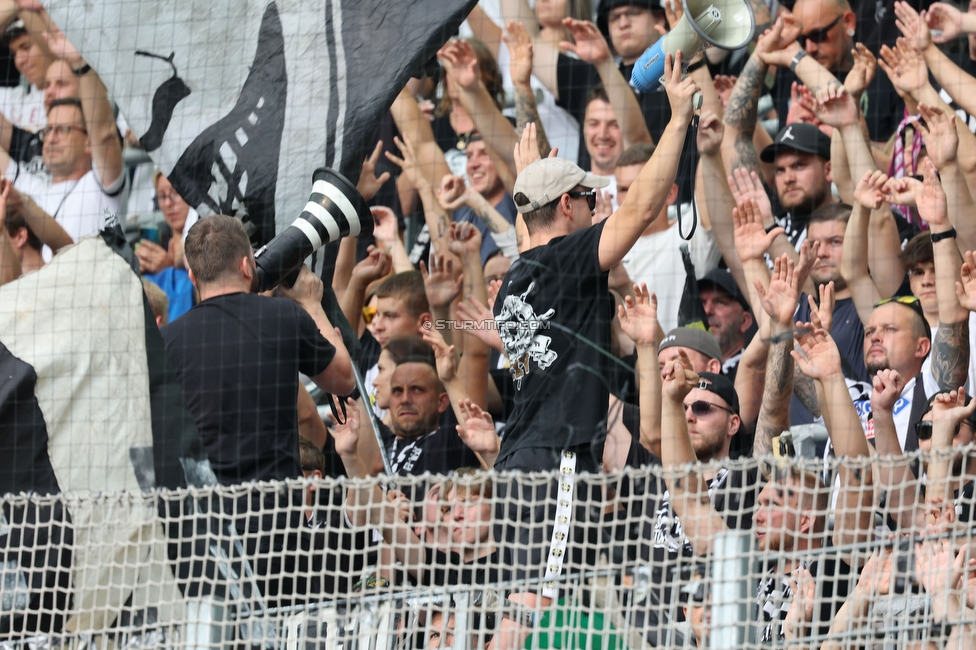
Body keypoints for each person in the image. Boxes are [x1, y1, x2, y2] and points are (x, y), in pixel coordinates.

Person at [161, 214, 353, 486]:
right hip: (276, 509)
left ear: (192, 276)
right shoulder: (282, 315)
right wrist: (311, 304)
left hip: (205, 513)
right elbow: (343, 380)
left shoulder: (165, 340)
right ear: (246, 266)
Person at [3, 43, 124, 259]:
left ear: (89, 142)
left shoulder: (100, 184)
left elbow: (105, 134)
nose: (51, 138)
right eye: (48, 130)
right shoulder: (32, 190)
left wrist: (81, 65)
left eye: (62, 130)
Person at [618, 143, 721, 333]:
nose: (630, 198)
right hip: (628, 361)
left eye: (639, 187)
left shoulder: (688, 232)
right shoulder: (610, 247)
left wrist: (708, 147)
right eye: (623, 189)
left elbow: (710, 164)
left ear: (670, 194)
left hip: (682, 358)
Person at [698, 268, 755, 380]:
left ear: (744, 321)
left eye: (720, 302)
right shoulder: (686, 371)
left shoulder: (756, 373)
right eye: (702, 302)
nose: (707, 310)